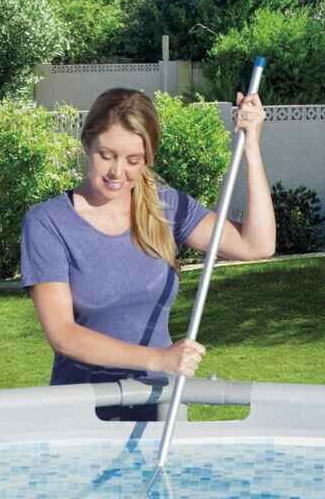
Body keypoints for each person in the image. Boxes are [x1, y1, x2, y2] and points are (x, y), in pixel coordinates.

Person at [19, 87, 275, 420]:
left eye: (133, 160)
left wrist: (251, 147)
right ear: (87, 143)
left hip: (159, 406)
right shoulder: (48, 222)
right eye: (106, 155)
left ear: (148, 158)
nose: (117, 172)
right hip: (85, 412)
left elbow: (257, 245)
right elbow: (63, 334)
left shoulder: (165, 207)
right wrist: (158, 359)